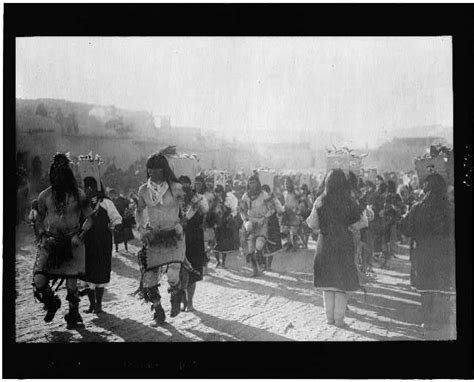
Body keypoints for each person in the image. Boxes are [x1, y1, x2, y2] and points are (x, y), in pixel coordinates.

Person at [32, 153, 93, 327]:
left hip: (72, 242)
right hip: (51, 243)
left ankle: (73, 314)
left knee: (72, 285)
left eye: (62, 175)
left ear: (68, 176)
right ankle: (52, 302)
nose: (58, 179)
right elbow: (38, 218)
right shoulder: (45, 196)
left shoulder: (78, 195)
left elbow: (89, 218)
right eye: (55, 175)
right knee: (39, 280)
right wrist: (43, 234)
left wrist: (80, 235)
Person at [306, 169, 364, 327]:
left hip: (325, 243)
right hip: (344, 243)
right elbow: (362, 221)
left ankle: (329, 319)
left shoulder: (320, 200)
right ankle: (339, 320)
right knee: (341, 285)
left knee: (328, 284)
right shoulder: (350, 201)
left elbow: (312, 223)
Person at [133, 152, 186, 326]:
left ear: (164, 170)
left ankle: (176, 293)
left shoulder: (175, 187)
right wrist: (141, 228)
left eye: (157, 170)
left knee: (172, 275)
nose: (152, 173)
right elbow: (139, 210)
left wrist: (182, 222)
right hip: (154, 236)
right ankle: (158, 311)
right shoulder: (143, 190)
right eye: (150, 170)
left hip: (174, 236)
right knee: (149, 280)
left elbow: (195, 204)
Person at [400, 173, 455, 339]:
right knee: (442, 288)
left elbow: (406, 229)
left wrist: (406, 216)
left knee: (426, 289)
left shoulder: (417, 208)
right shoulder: (451, 209)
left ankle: (428, 322)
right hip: (445, 255)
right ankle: (441, 321)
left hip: (423, 254)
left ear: (426, 188)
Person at [80, 177, 122, 314]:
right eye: (85, 187)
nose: (87, 189)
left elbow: (116, 218)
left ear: (94, 187)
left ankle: (98, 305)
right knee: (89, 272)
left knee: (100, 272)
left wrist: (115, 226)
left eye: (89, 187)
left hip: (102, 242)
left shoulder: (106, 202)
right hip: (88, 241)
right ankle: (92, 304)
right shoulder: (83, 203)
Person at [240, 174, 273, 277]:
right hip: (250, 223)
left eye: (254, 182)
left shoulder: (264, 195)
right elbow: (241, 211)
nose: (252, 184)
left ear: (258, 183)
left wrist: (264, 218)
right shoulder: (245, 196)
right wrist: (245, 220)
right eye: (250, 182)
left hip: (262, 223)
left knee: (259, 245)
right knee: (250, 249)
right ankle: (255, 270)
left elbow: (271, 209)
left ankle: (262, 262)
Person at [213, 185, 238, 268]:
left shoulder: (229, 199)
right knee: (215, 243)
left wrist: (230, 216)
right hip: (217, 223)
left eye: (219, 191)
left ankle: (223, 262)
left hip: (225, 224)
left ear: (222, 192)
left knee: (224, 245)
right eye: (216, 192)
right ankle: (217, 261)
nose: (218, 193)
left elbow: (234, 210)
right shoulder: (214, 200)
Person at [261, 184, 284, 270]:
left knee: (266, 243)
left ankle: (265, 265)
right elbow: (280, 211)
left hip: (267, 223)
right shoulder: (273, 200)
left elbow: (280, 210)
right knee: (269, 244)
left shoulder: (271, 200)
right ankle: (267, 265)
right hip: (270, 223)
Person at [381, 180, 403, 267]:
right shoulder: (393, 196)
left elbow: (399, 207)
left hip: (388, 220)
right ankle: (388, 257)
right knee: (389, 239)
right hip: (390, 220)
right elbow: (400, 207)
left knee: (387, 239)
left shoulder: (389, 196)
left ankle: (388, 257)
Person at [282, 177, 300, 251]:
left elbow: (298, 201)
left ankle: (295, 244)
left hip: (293, 213)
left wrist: (296, 210)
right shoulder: (284, 193)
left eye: (288, 183)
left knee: (293, 230)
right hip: (286, 212)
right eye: (285, 183)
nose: (286, 185)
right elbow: (284, 202)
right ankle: (289, 244)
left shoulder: (295, 193)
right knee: (286, 229)